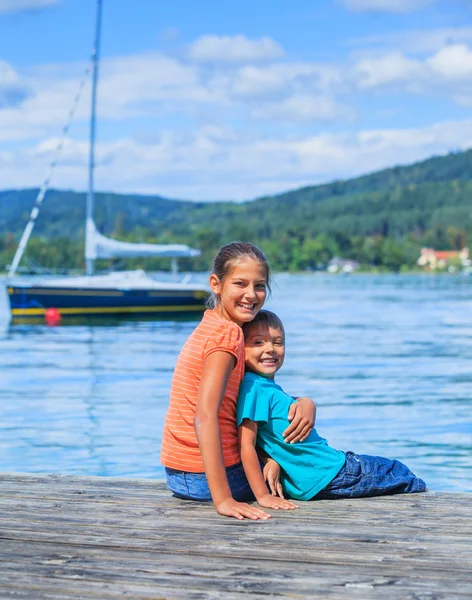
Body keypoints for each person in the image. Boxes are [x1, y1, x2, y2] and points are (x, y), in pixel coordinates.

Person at [161, 242, 316, 520]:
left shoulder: (210, 325)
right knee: (311, 469)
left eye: (259, 286)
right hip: (204, 478)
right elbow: (204, 417)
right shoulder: (228, 336)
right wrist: (224, 501)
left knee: (275, 460)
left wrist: (303, 402)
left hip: (179, 473)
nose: (251, 295)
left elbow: (259, 394)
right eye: (240, 284)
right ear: (216, 284)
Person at [237, 310, 427, 505]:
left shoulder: (263, 387)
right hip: (331, 473)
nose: (270, 349)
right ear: (241, 349)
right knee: (397, 471)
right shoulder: (254, 388)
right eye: (258, 342)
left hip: (320, 474)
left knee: (392, 472)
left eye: (278, 342)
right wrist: (262, 496)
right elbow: (246, 444)